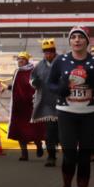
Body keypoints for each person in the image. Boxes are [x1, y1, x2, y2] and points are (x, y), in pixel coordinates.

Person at [48, 26, 94, 187]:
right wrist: (60, 88)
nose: (77, 40)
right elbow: (50, 83)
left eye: (81, 37)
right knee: (69, 155)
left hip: (90, 113)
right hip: (67, 111)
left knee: (84, 158)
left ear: (87, 41)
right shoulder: (61, 60)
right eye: (73, 37)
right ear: (70, 41)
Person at [6, 52, 46, 160]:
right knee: (20, 131)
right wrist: (10, 87)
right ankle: (24, 154)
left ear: (27, 60)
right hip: (18, 106)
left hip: (31, 105)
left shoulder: (33, 71)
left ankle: (38, 146)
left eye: (22, 59)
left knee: (34, 129)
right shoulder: (17, 72)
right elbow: (16, 86)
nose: (20, 61)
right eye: (19, 59)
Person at [30, 38, 60, 166]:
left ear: (54, 52)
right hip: (46, 103)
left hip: (62, 102)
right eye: (45, 52)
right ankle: (51, 157)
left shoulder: (62, 62)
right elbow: (31, 79)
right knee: (49, 133)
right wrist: (34, 82)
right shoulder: (39, 66)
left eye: (50, 52)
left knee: (63, 133)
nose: (48, 55)